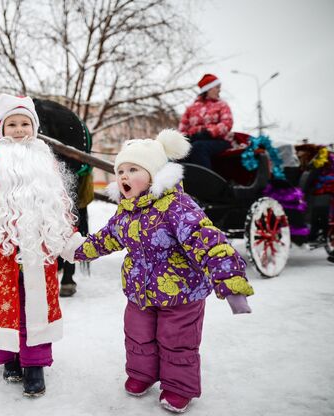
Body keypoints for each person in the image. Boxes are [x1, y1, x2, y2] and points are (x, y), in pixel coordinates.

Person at [63, 129, 254, 413]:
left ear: (154, 175)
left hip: (182, 294)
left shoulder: (177, 207)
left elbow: (208, 241)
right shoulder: (126, 212)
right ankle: (142, 375)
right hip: (140, 291)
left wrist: (230, 281)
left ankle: (178, 387)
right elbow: (105, 240)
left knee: (177, 342)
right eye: (121, 171)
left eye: (133, 169)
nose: (124, 177)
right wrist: (73, 249)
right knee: (138, 334)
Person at [0, 93, 81, 397]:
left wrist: (68, 237)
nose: (19, 130)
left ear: (33, 127)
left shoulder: (44, 161)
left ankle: (34, 366)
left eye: (25, 123)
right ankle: (8, 358)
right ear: (0, 128)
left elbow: (59, 202)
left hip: (39, 254)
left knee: (35, 308)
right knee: (3, 306)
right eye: (12, 124)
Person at [179, 74, 234, 169]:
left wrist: (209, 132)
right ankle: (179, 183)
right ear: (208, 89)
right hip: (195, 140)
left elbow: (227, 123)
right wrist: (187, 138)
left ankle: (205, 182)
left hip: (219, 141)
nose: (219, 90)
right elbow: (183, 128)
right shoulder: (191, 108)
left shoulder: (222, 105)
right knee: (179, 154)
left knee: (198, 147)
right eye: (217, 87)